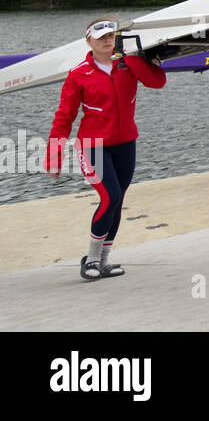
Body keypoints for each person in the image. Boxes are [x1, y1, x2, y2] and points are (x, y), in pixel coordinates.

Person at [44, 18, 167, 280]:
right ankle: (91, 259)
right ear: (88, 41)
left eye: (111, 36)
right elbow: (64, 117)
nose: (107, 41)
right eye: (101, 38)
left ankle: (103, 262)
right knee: (109, 197)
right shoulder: (78, 74)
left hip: (125, 144)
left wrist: (134, 59)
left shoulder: (128, 65)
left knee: (117, 201)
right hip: (93, 146)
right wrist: (53, 156)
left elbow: (157, 82)